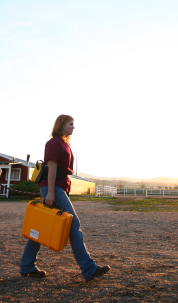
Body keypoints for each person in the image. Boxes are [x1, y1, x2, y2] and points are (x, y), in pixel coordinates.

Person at [20, 114, 110, 281]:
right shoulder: (54, 143)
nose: (73, 127)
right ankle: (89, 269)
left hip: (58, 188)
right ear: (61, 125)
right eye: (70, 124)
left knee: (42, 225)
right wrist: (51, 193)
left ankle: (27, 266)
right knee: (73, 223)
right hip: (52, 188)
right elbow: (52, 168)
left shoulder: (64, 144)